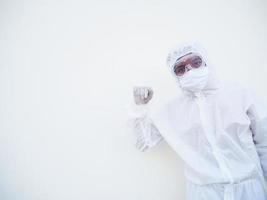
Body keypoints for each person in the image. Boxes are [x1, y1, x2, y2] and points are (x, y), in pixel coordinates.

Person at [127, 42, 267, 200]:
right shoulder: (173, 111)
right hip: (205, 194)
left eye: (196, 62)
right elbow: (144, 141)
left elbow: (264, 142)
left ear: (206, 61)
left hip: (249, 189)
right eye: (180, 69)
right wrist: (139, 107)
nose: (190, 70)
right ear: (175, 76)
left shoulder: (239, 95)